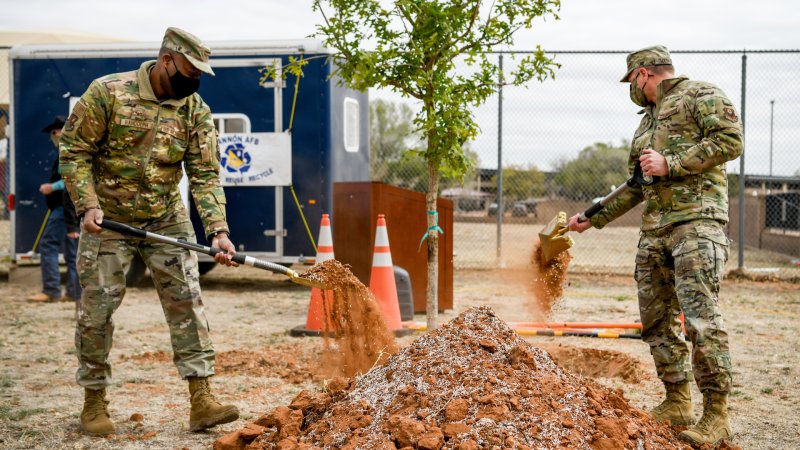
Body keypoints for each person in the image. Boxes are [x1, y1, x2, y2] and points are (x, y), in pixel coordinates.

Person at [59, 27, 240, 436]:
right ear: (166, 61)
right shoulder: (108, 92)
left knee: (186, 302)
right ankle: (94, 402)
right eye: (189, 71)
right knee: (97, 311)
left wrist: (217, 230)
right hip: (108, 218)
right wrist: (87, 204)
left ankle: (202, 399)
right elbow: (74, 152)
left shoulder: (194, 109)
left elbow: (205, 174)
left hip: (164, 216)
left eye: (199, 75)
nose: (193, 81)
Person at [567, 45, 743, 446]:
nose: (631, 89)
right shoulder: (645, 122)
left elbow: (731, 140)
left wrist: (673, 163)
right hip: (655, 230)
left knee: (701, 320)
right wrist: (591, 219)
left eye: (632, 81)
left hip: (696, 224)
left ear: (644, 74)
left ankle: (717, 415)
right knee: (657, 320)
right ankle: (677, 400)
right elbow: (636, 186)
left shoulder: (700, 94)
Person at [27, 116, 82, 304]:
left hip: (63, 208)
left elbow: (69, 179)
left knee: (48, 245)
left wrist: (52, 187)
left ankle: (51, 290)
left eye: (54, 131)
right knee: (72, 251)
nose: (52, 135)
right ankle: (74, 292)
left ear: (61, 131)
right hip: (72, 209)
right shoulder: (76, 148)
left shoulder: (67, 150)